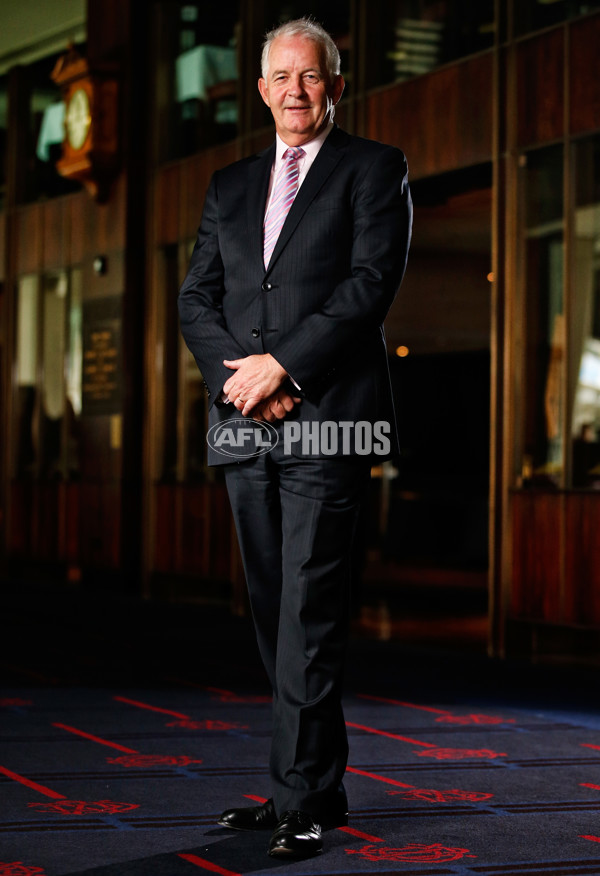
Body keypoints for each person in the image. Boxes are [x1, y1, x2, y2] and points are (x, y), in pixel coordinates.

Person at [178, 17, 412, 859]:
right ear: (262, 87)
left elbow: (368, 287)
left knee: (310, 610)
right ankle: (304, 786)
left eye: (310, 76)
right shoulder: (230, 183)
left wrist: (286, 368)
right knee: (273, 608)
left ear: (336, 86)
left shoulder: (374, 169)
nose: (294, 90)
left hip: (330, 419)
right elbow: (196, 299)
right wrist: (242, 378)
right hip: (246, 423)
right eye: (280, 76)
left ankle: (303, 799)